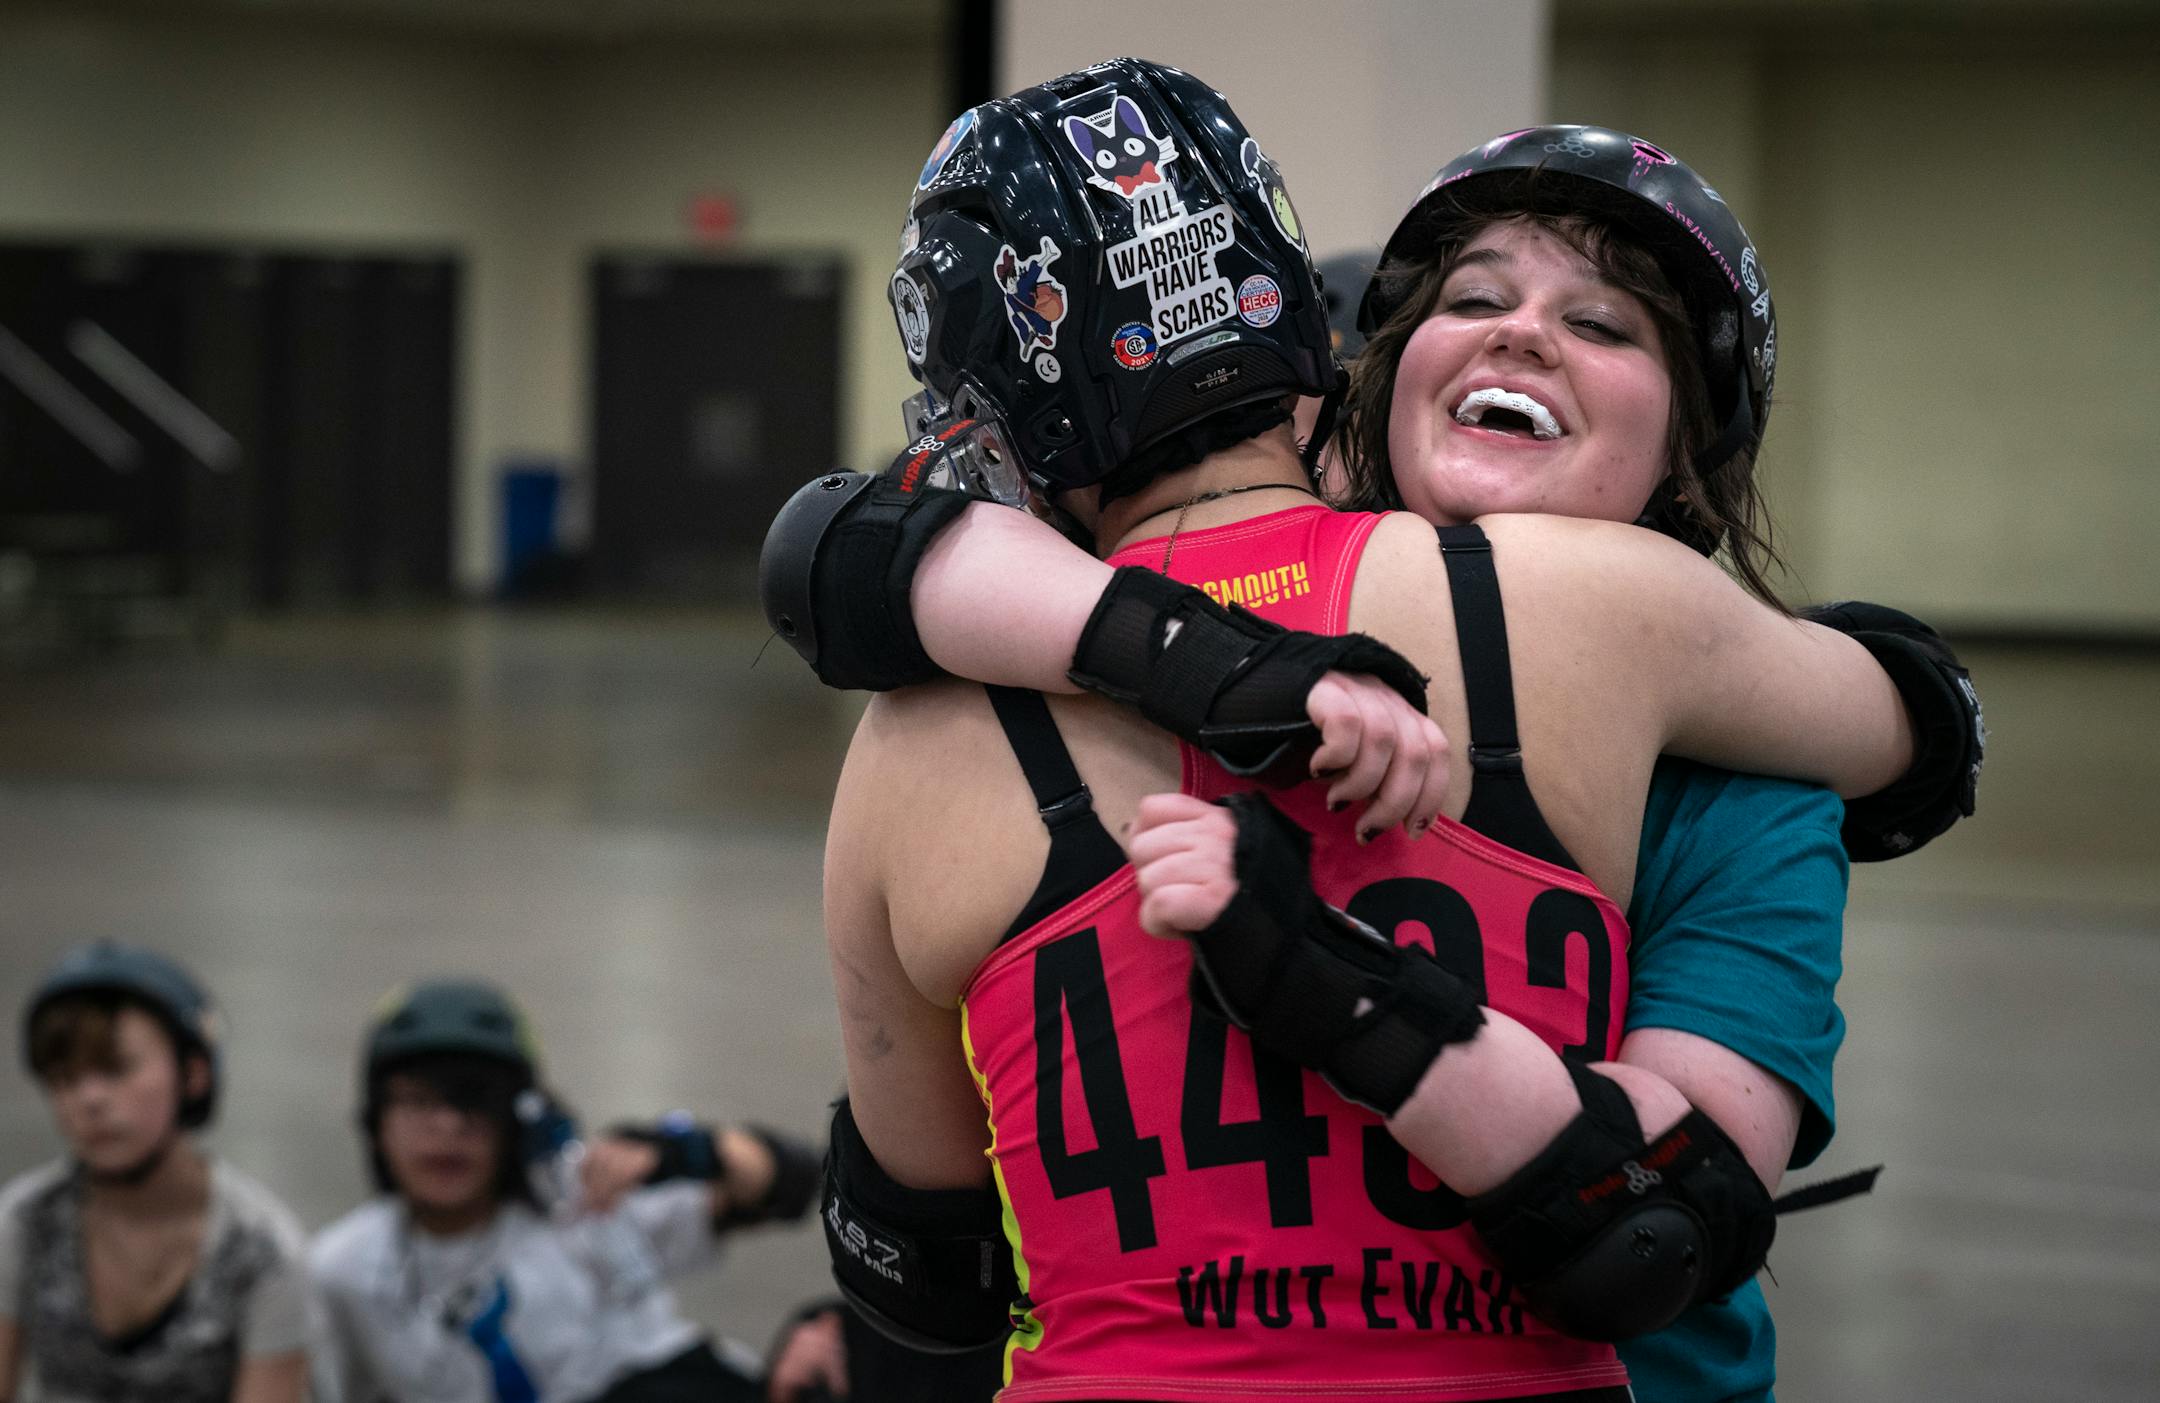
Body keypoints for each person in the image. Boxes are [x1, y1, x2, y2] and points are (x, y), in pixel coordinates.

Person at [771, 117, 1982, 1400]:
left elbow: (1655, 1230)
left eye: (1606, 325)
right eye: (1477, 299)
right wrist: (1213, 662)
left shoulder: (1749, 791)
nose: (1523, 333)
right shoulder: (1221, 610)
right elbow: (859, 552)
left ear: (1689, 443)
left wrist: (1335, 981)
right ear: (1367, 382)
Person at [308, 978, 821, 1403]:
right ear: (377, 1125)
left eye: (473, 1103)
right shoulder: (341, 1268)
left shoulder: (583, 1198)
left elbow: (794, 1181)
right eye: (419, 1103)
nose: (447, 1129)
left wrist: (685, 1151)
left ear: (517, 1121)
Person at [0, 941, 309, 1403]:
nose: (89, 1101)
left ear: (194, 1075)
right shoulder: (26, 1220)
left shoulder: (261, 1248)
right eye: (64, 1078)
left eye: (116, 1069)